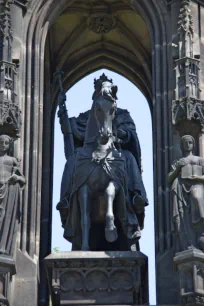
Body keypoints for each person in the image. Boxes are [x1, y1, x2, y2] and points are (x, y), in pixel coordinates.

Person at [57, 74, 148, 247]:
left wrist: (120, 133)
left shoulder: (122, 114)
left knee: (129, 159)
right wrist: (63, 115)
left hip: (115, 149)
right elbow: (74, 130)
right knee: (72, 162)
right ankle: (66, 200)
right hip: (90, 151)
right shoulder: (87, 116)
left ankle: (137, 195)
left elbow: (131, 133)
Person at [168, 135, 204, 251]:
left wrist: (197, 178)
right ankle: (187, 242)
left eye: (190, 142)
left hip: (196, 184)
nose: (188, 144)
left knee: (197, 198)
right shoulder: (178, 161)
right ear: (181, 145)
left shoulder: (199, 160)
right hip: (181, 187)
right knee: (183, 216)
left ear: (193, 144)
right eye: (185, 142)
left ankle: (201, 232)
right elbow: (169, 179)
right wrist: (178, 168)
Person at [0, 134, 25, 255]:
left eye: (6, 143)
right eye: (1, 142)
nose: (3, 145)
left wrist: (17, 177)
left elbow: (23, 179)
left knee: (5, 218)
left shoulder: (12, 160)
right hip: (1, 188)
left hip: (8, 191)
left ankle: (3, 246)